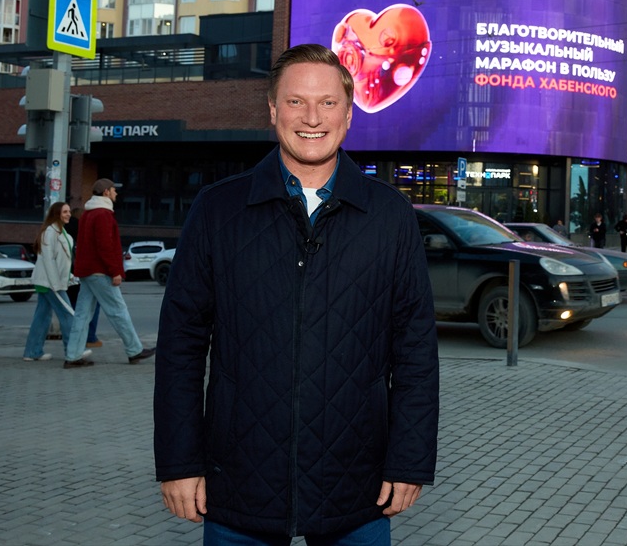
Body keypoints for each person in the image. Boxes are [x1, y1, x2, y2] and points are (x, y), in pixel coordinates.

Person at [154, 43, 440, 545]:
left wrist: (410, 459)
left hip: (358, 489)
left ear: (349, 114)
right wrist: (179, 461)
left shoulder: (390, 216)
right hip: (239, 486)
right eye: (295, 101)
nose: (312, 117)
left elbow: (415, 350)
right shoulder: (218, 210)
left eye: (328, 103)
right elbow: (180, 348)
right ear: (272, 109)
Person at [63, 179, 156, 369]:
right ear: (106, 192)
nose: (116, 193)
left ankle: (73, 356)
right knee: (118, 311)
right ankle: (134, 349)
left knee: (82, 314)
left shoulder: (88, 214)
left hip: (87, 271)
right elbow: (106, 247)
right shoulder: (103, 214)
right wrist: (115, 271)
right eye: (114, 190)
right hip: (100, 272)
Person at [22, 202, 76, 362]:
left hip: (50, 281)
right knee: (67, 315)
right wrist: (56, 283)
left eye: (69, 211)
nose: (69, 214)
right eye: (65, 212)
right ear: (56, 214)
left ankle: (32, 351)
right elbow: (48, 260)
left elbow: (62, 260)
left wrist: (69, 276)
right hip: (50, 283)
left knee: (42, 316)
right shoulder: (50, 232)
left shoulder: (59, 232)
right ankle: (73, 351)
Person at [64, 206, 103, 349]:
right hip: (80, 274)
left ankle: (76, 338)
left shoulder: (64, 231)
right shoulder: (83, 230)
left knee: (73, 307)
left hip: (68, 275)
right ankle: (89, 337)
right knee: (91, 305)